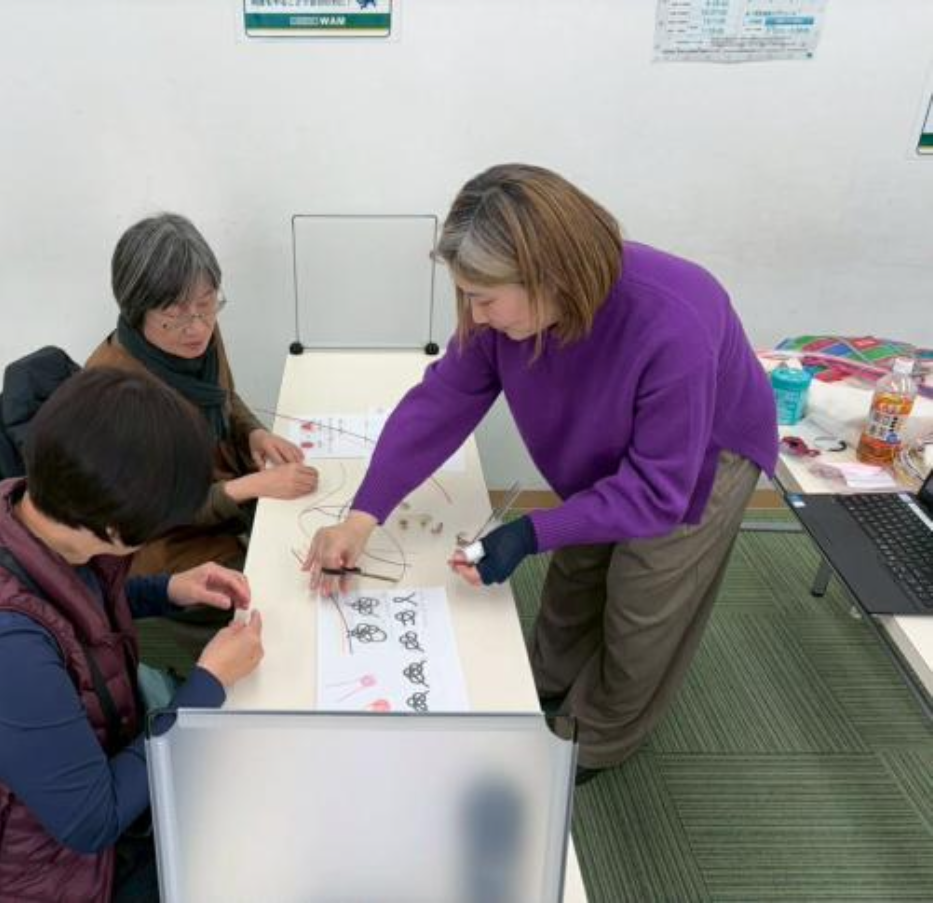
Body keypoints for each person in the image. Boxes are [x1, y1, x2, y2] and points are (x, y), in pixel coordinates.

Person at [304, 164, 778, 783]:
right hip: (608, 445)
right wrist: (363, 514)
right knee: (578, 566)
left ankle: (593, 737)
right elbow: (441, 403)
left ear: (548, 276)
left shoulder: (674, 320)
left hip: (701, 457)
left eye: (483, 297)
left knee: (642, 601)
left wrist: (530, 533)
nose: (471, 315)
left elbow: (659, 490)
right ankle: (543, 683)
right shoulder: (505, 312)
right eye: (465, 295)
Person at [0, 369, 265, 902]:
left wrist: (168, 589)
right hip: (49, 871)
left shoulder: (24, 508)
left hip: (84, 779)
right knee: (256, 846)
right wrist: (207, 685)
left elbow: (73, 606)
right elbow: (94, 820)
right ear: (115, 531)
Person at [87, 212, 318, 576]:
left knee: (309, 531)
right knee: (281, 578)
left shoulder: (195, 332)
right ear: (135, 310)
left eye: (207, 303)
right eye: (173, 314)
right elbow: (152, 512)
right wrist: (250, 486)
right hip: (170, 544)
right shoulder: (114, 392)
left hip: (227, 499)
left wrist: (254, 432)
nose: (197, 327)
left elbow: (223, 395)